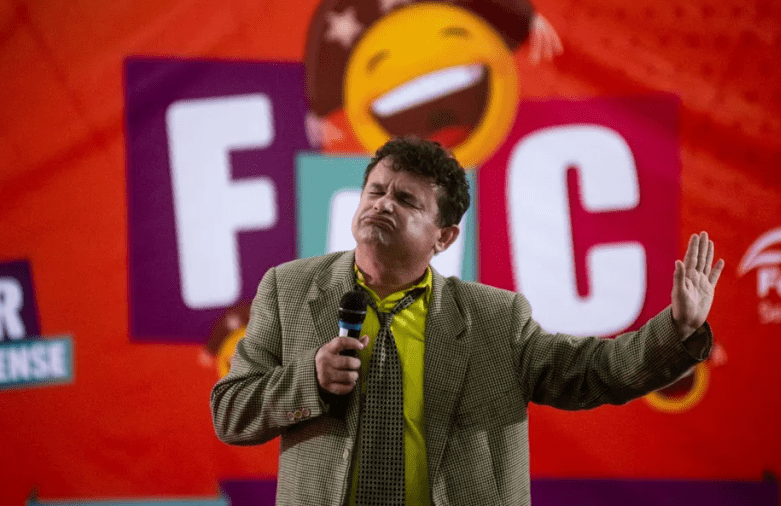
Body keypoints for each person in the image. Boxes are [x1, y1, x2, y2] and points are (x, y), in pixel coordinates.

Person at [210, 136, 724, 506]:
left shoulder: (495, 320)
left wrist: (677, 329)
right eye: (376, 191)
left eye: (406, 200)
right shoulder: (290, 291)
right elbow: (230, 412)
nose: (383, 204)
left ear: (444, 237)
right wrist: (311, 380)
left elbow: (594, 370)